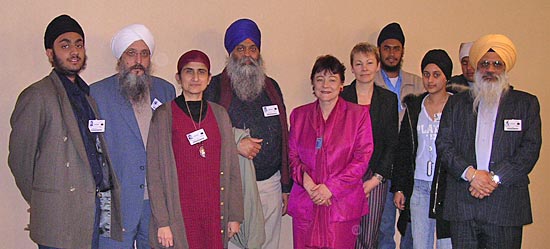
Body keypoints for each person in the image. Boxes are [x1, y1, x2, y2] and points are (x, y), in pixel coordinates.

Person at [8, 14, 122, 249]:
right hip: (58, 217)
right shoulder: (37, 96)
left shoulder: (87, 97)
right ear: (50, 53)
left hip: (91, 212)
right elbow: (20, 160)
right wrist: (44, 199)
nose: (74, 51)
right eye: (65, 45)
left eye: (79, 44)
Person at [436, 34, 541, 249]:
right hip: (463, 204)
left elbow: (529, 150)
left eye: (497, 64)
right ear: (476, 66)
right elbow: (444, 145)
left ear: (505, 68)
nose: (490, 69)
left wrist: (494, 178)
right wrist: (471, 175)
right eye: (485, 64)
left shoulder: (526, 104)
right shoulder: (456, 104)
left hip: (505, 206)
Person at [204, 18, 290, 249]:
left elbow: (284, 135)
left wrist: (285, 187)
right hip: (235, 187)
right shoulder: (214, 87)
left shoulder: (271, 86)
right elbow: (204, 132)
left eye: (253, 48)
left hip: (270, 185)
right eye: (240, 48)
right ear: (231, 53)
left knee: (269, 243)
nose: (247, 54)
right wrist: (235, 144)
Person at [147, 50, 244, 249]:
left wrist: (234, 215)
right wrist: (162, 222)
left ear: (209, 79)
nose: (195, 77)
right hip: (179, 213)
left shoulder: (220, 114)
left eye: (201, 72)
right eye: (188, 72)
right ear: (178, 78)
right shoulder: (164, 115)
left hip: (214, 212)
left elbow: (233, 168)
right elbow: (154, 173)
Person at [90, 24, 176, 248]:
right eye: (131, 53)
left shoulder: (166, 91)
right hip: (114, 204)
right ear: (120, 58)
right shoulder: (97, 94)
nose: (138, 60)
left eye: (144, 54)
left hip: (156, 204)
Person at [288, 55, 374, 249]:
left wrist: (330, 188)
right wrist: (309, 184)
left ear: (342, 84)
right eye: (320, 79)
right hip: (306, 202)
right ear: (313, 84)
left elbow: (362, 159)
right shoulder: (299, 116)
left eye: (332, 79)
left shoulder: (358, 115)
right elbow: (292, 157)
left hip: (341, 205)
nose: (325, 85)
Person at [393, 49, 453, 249]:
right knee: (420, 244)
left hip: (447, 186)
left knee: (447, 244)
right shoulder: (415, 106)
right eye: (426, 74)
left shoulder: (457, 105)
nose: (430, 80)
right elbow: (403, 151)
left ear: (446, 77)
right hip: (418, 185)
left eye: (437, 75)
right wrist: (400, 187)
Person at [340, 42, 399, 249]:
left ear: (377, 66)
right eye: (359, 63)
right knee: (345, 233)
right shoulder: (341, 97)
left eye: (369, 63)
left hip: (376, 176)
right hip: (345, 176)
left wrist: (376, 179)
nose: (364, 68)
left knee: (369, 235)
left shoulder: (388, 99)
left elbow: (392, 143)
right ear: (352, 68)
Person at [374, 22, 423, 249]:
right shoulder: (369, 83)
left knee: (410, 227)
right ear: (379, 50)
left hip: (409, 168)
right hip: (381, 167)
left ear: (402, 51)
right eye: (387, 48)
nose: (391, 53)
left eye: (396, 48)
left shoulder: (420, 84)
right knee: (382, 228)